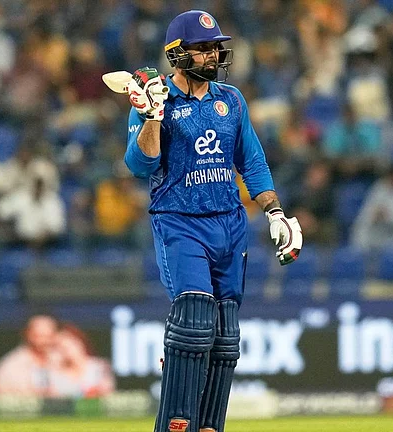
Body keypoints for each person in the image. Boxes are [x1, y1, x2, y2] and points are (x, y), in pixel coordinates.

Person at [122, 10, 303, 432]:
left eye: (215, 46)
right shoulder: (155, 97)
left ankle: (209, 426)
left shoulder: (232, 99)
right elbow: (139, 164)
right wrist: (151, 117)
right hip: (180, 221)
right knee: (194, 323)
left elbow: (253, 163)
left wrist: (275, 211)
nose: (213, 54)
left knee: (224, 339)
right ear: (177, 54)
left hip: (231, 223)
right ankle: (175, 423)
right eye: (203, 47)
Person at [0, 315, 59, 396]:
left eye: (49, 336)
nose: (45, 341)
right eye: (40, 336)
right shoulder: (11, 366)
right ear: (28, 334)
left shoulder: (61, 359)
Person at [49, 323, 116, 399]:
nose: (68, 350)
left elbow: (106, 392)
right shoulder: (54, 372)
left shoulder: (100, 366)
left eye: (71, 344)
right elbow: (51, 397)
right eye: (61, 347)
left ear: (80, 341)